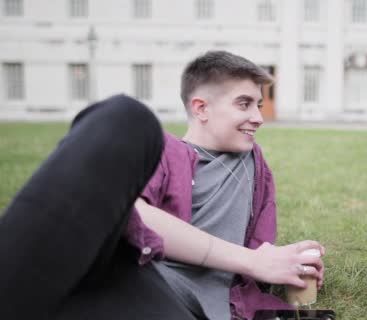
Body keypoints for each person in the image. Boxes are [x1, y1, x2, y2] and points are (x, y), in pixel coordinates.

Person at [0, 51, 324, 320]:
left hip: (176, 307)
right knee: (125, 116)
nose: (258, 117)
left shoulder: (254, 161)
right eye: (244, 104)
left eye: (258, 103)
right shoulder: (165, 152)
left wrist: (287, 263)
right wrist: (252, 261)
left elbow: (259, 251)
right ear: (201, 108)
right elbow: (134, 217)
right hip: (137, 275)